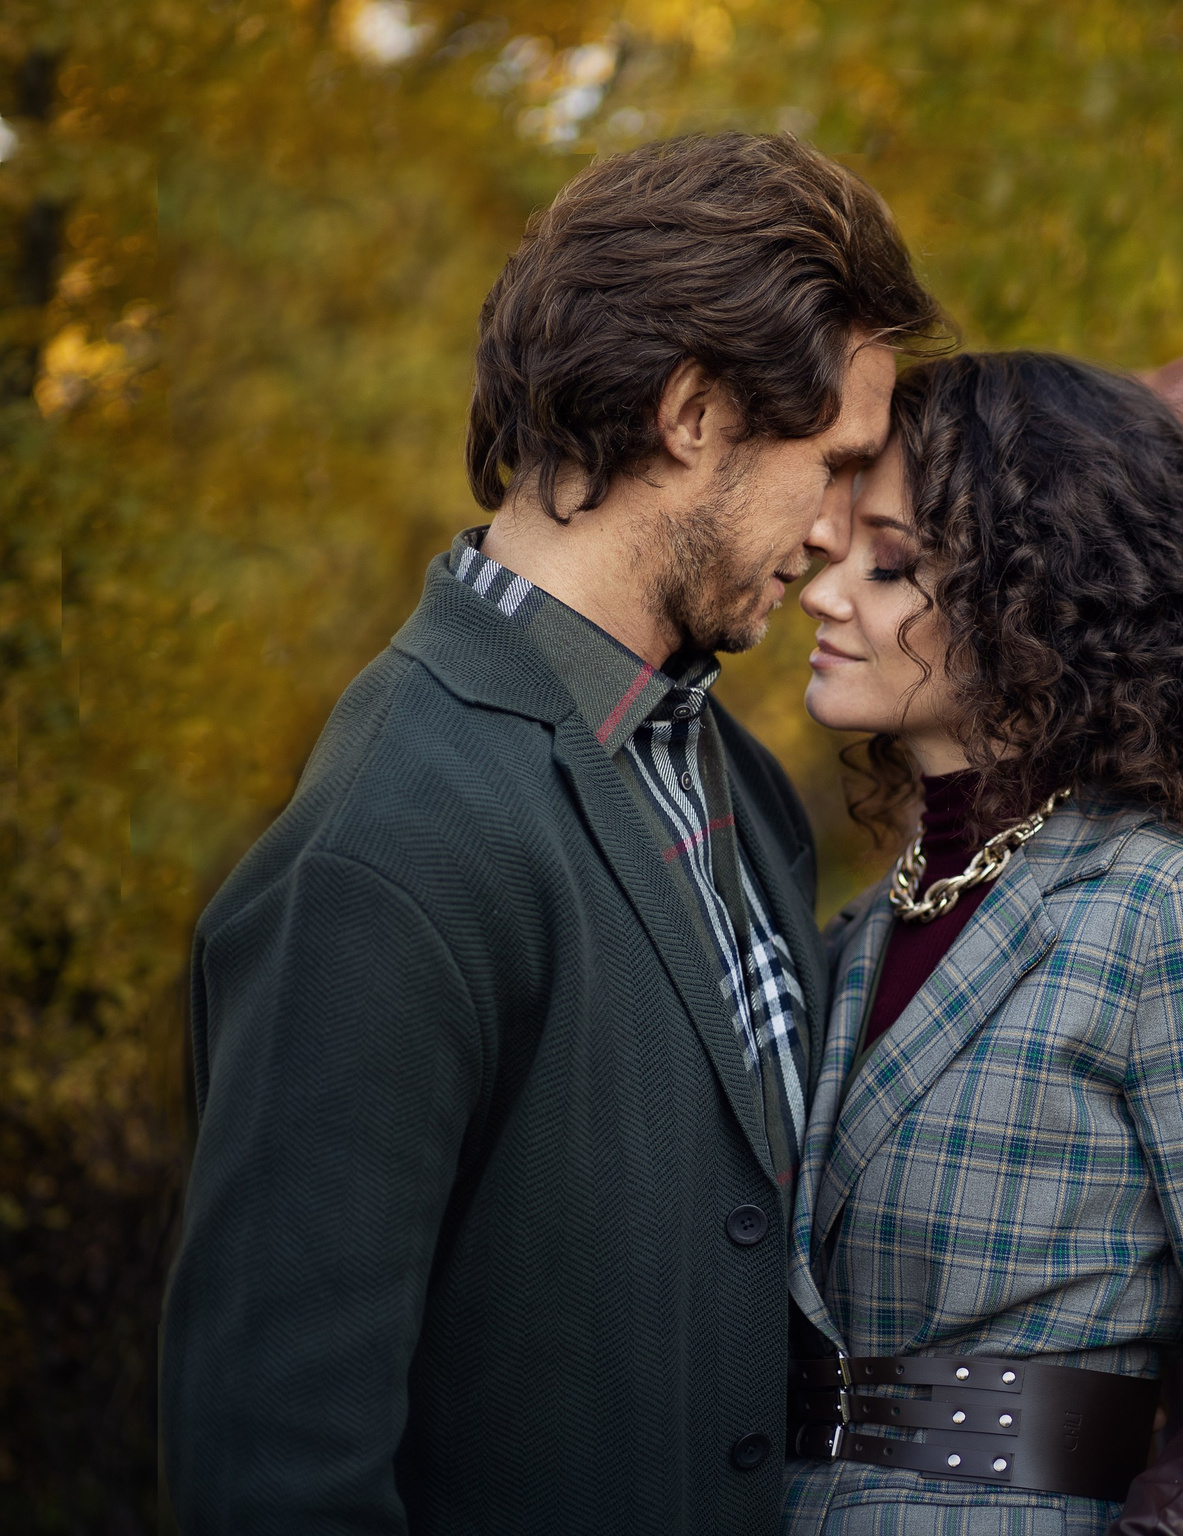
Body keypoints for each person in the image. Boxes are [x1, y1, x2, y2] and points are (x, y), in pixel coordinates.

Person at [160, 133, 941, 1530]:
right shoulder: (384, 852)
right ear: (694, 414)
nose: (838, 531)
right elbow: (274, 1476)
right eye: (832, 464)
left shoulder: (736, 785)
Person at [785, 351, 1183, 1536]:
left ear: (1038, 597)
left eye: (889, 563)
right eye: (836, 547)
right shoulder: (850, 936)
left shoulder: (1180, 913)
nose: (823, 590)